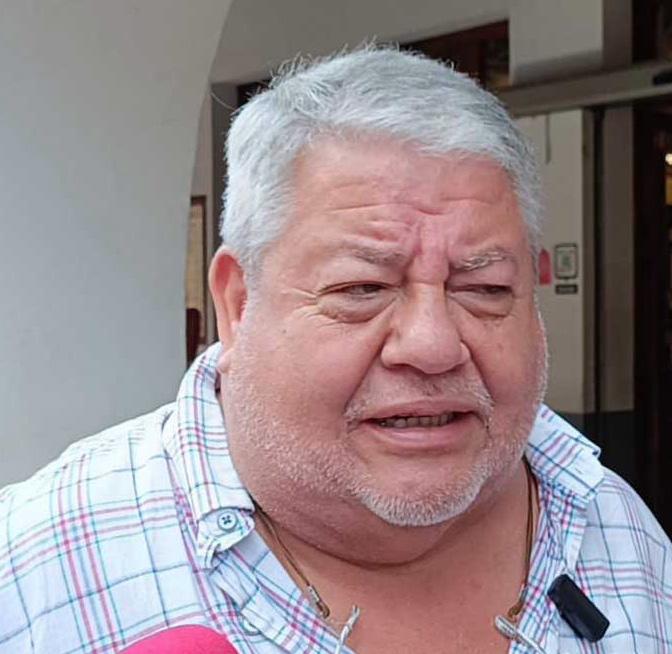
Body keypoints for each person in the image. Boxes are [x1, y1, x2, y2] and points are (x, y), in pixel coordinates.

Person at [0, 46, 670, 654]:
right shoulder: (35, 574)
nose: (433, 345)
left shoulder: (616, 529)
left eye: (485, 288)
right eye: (362, 288)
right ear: (237, 304)